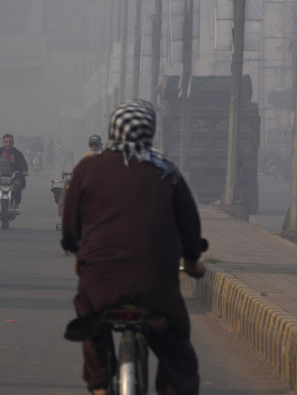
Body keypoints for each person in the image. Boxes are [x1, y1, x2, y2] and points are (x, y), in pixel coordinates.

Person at [60, 100, 206, 395]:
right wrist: (192, 262)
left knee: (91, 318)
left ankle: (99, 384)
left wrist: (78, 252)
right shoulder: (166, 170)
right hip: (155, 282)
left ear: (112, 129)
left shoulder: (88, 168)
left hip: (100, 277)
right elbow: (190, 226)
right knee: (175, 338)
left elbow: (70, 224)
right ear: (150, 130)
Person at [0, 134, 29, 212]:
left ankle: (16, 205)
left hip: (14, 176)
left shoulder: (17, 153)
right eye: (6, 141)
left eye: (10, 141)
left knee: (17, 185)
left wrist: (24, 170)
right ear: (3, 142)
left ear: (13, 142)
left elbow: (23, 163)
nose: (8, 143)